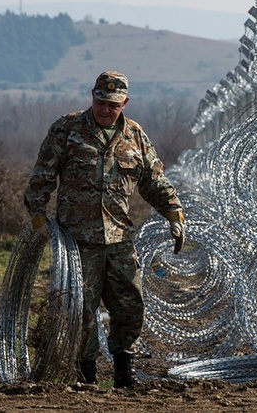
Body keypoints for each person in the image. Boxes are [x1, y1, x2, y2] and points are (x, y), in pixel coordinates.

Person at [24, 70, 185, 388]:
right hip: (77, 242)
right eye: (101, 101)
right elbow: (42, 175)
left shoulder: (135, 136)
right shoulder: (67, 129)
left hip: (120, 240)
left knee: (129, 305)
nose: (105, 109)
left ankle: (125, 373)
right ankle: (87, 376)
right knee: (80, 311)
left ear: (124, 103)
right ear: (92, 96)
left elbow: (153, 182)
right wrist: (38, 217)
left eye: (113, 104)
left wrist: (174, 214)